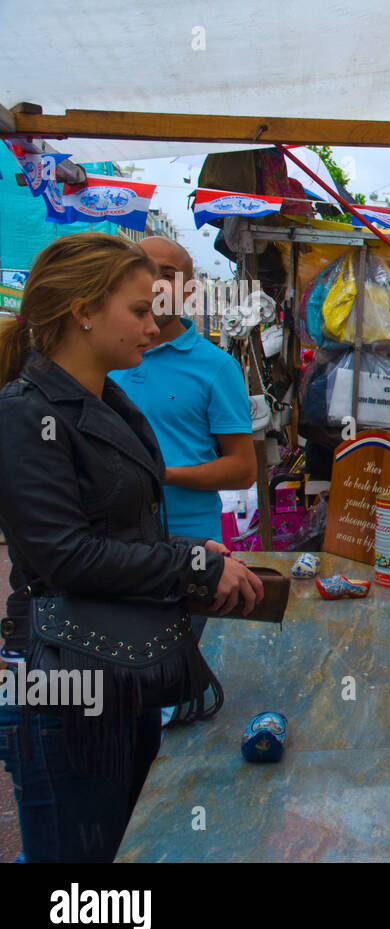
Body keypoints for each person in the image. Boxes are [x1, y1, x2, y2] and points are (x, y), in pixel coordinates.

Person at [0, 233, 264, 862]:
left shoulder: (109, 401)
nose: (154, 323)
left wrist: (197, 553)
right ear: (83, 311)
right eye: (140, 311)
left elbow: (123, 533)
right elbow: (66, 555)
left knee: (125, 852)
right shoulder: (24, 411)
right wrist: (191, 563)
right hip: (60, 681)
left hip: (120, 668)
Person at [108, 236, 255, 657]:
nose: (153, 282)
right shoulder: (105, 357)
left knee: (175, 678)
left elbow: (242, 469)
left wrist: (158, 474)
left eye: (166, 274)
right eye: (142, 269)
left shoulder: (216, 367)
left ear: (189, 291)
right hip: (114, 549)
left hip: (192, 550)